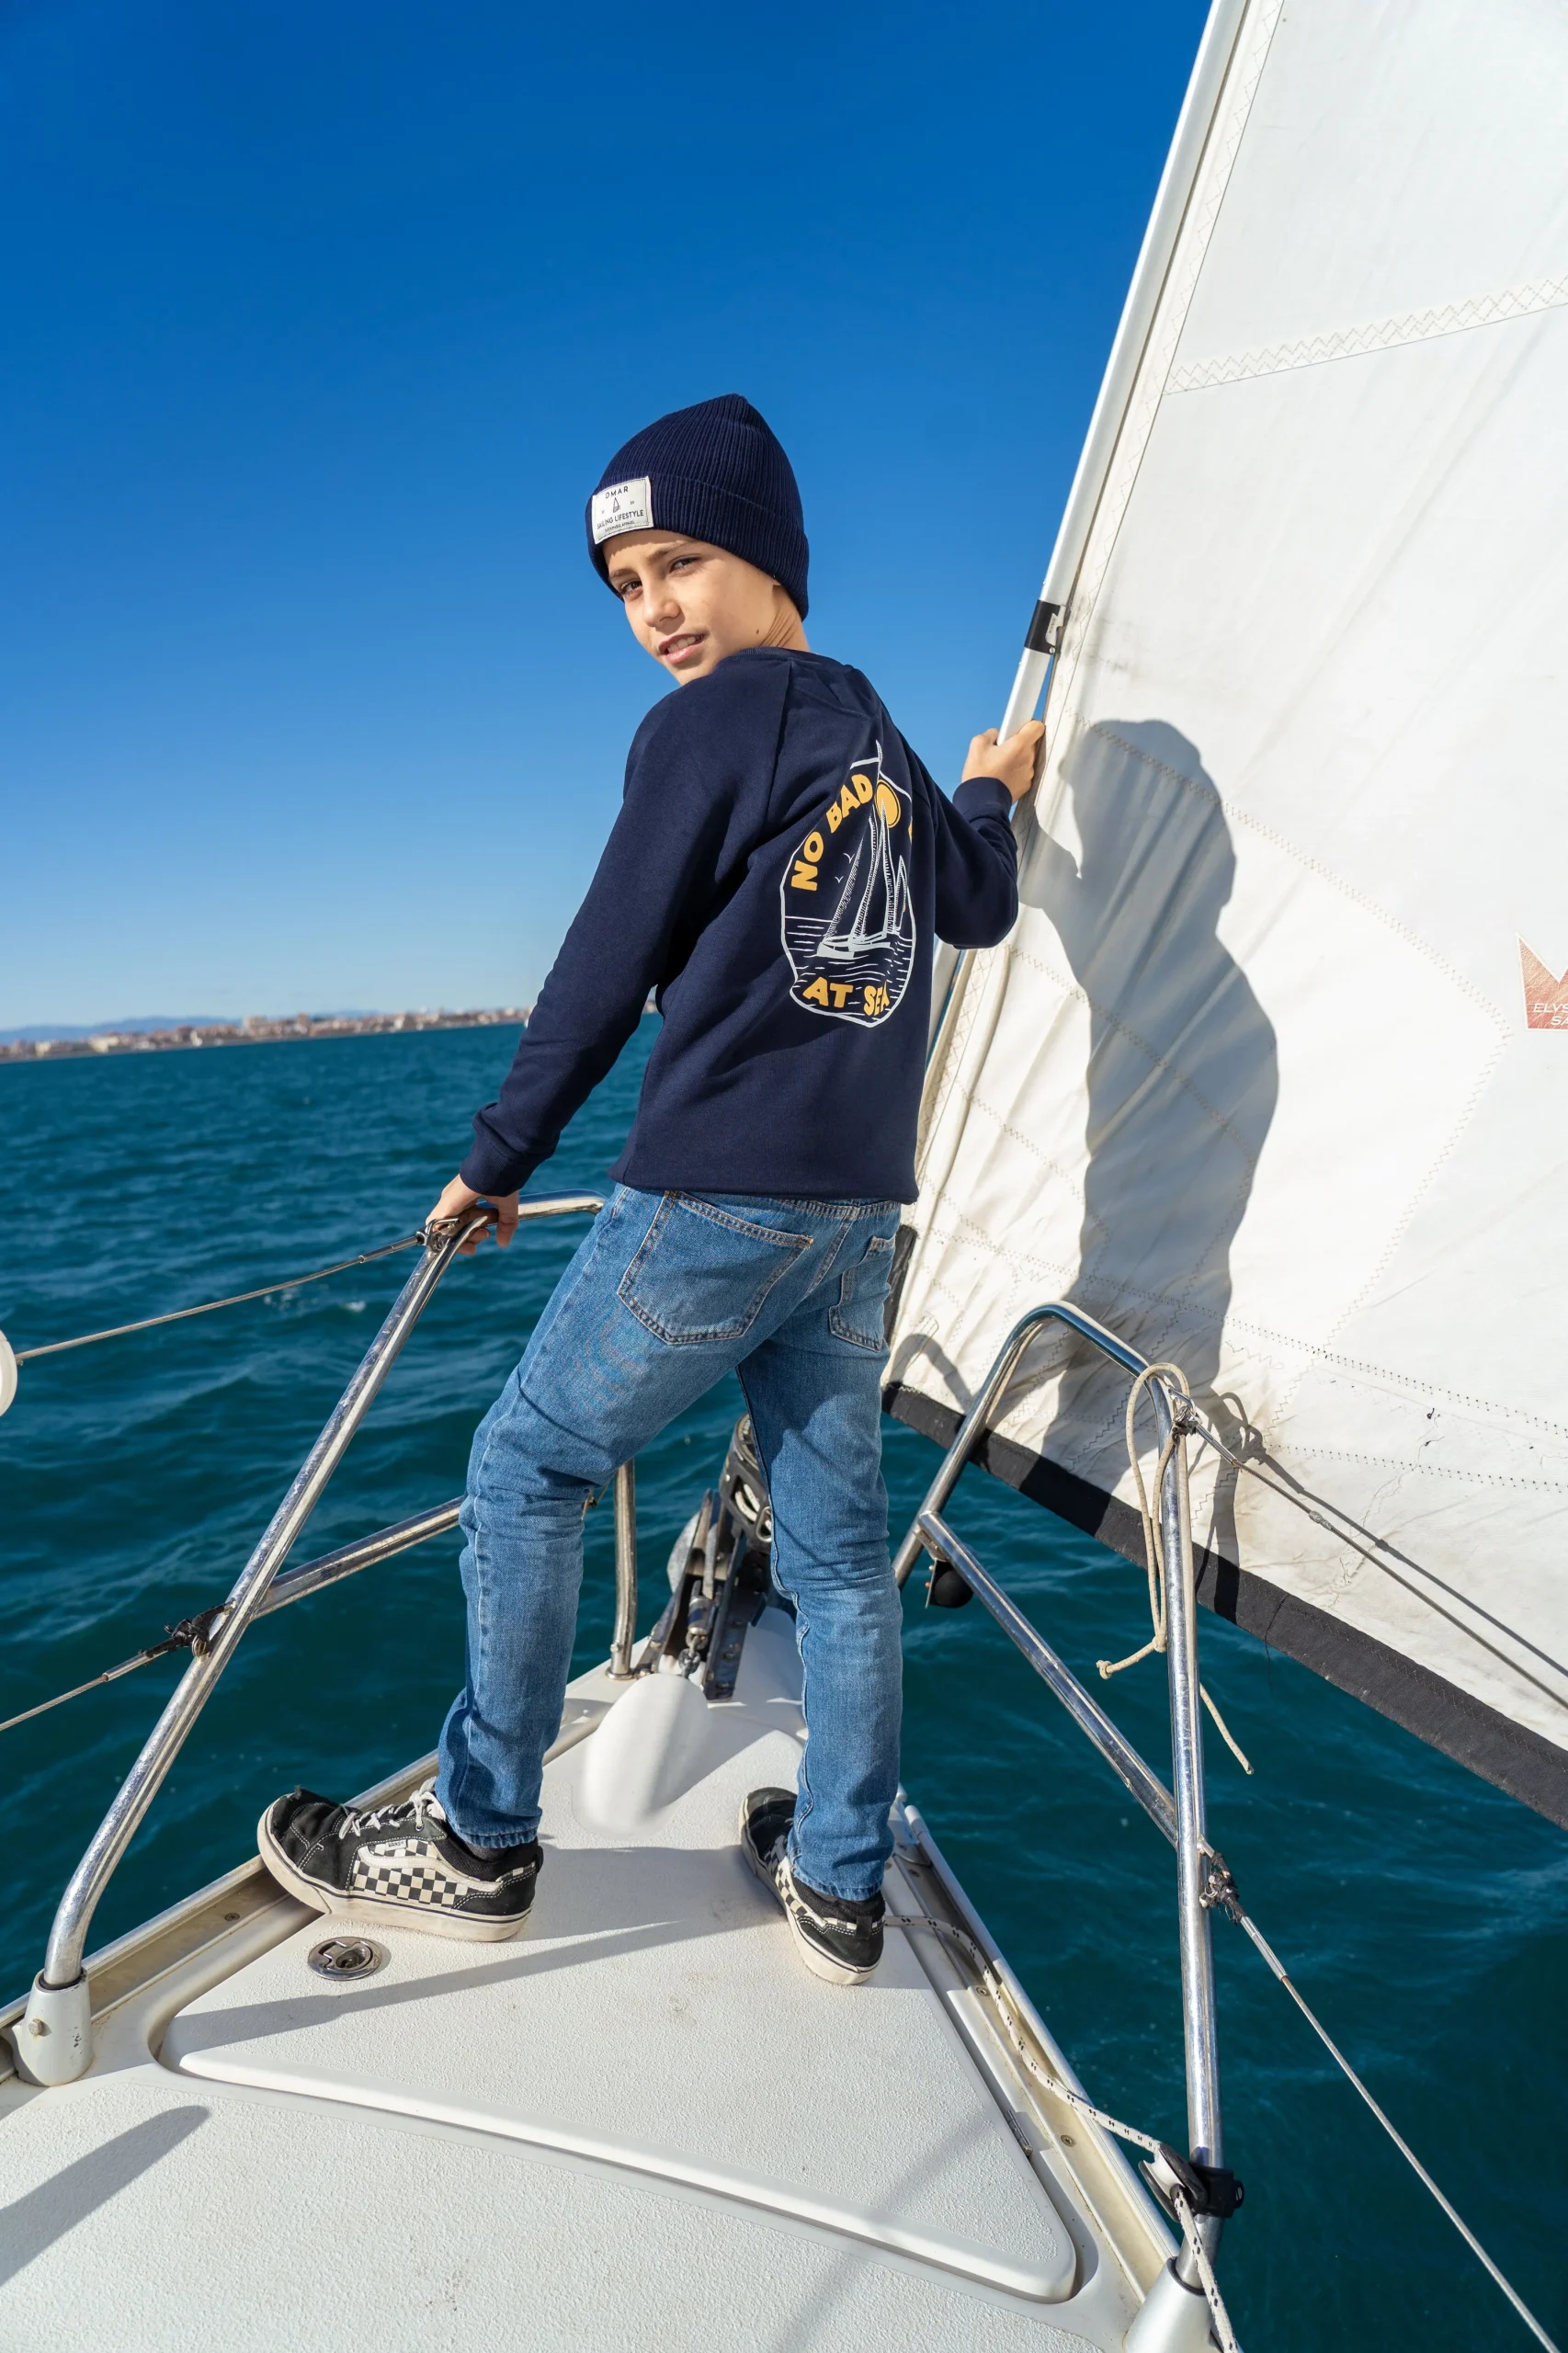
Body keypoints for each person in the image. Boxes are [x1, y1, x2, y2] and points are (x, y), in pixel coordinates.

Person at [257, 393, 1041, 1986]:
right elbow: (972, 904)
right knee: (838, 1559)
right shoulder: (872, 732)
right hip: (852, 1219)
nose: (654, 612)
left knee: (523, 1470)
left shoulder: (707, 725)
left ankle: (478, 1838)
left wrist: (497, 1160)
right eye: (626, 587)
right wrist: (989, 790)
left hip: (716, 1194)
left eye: (680, 564)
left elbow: (602, 967)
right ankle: (838, 1877)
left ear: (768, 560)